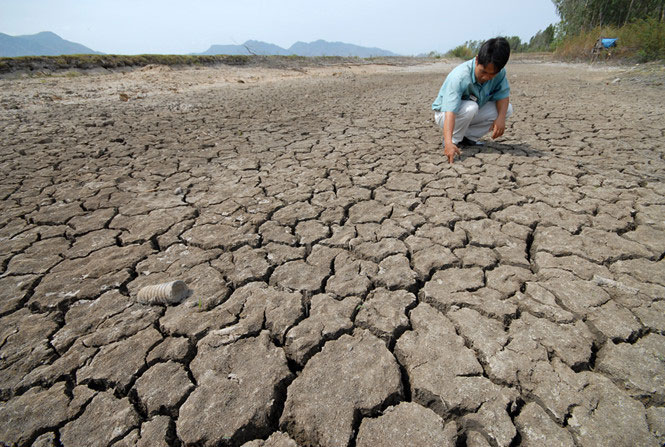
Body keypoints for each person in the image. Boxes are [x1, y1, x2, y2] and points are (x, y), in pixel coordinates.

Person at [432, 37, 513, 164]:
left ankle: (468, 138)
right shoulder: (459, 76)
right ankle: (454, 140)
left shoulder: (500, 74)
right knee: (471, 107)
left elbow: (503, 97)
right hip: (444, 114)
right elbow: (450, 112)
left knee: (506, 110)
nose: (486, 77)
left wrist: (501, 119)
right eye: (483, 72)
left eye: (492, 75)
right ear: (476, 60)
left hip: (468, 113)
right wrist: (448, 143)